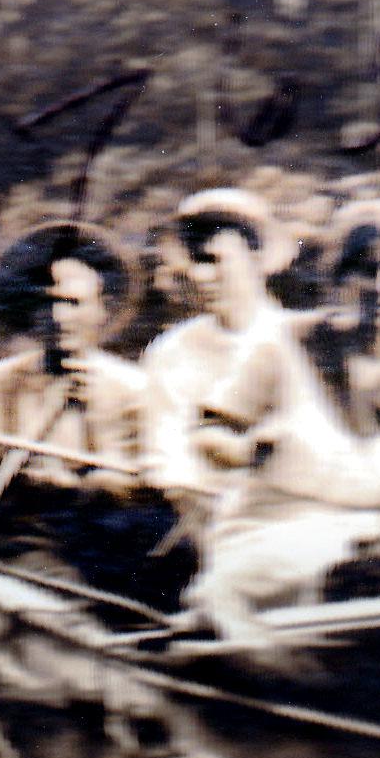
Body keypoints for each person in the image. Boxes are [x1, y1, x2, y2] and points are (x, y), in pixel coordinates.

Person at [183, 198, 380, 636]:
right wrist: (244, 450)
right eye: (368, 270)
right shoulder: (287, 342)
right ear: (342, 278)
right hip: (272, 534)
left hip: (373, 547)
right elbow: (209, 433)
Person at [0, 226, 182, 615]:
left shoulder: (134, 388)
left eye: (74, 303)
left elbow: (146, 494)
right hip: (31, 546)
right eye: (49, 302)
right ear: (31, 309)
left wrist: (95, 420)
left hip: (110, 542)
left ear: (102, 310)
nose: (59, 317)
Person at [136, 186, 297, 540]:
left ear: (256, 258)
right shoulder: (171, 351)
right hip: (193, 523)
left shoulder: (301, 341)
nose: (200, 276)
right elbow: (167, 454)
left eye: (215, 260)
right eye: (195, 261)